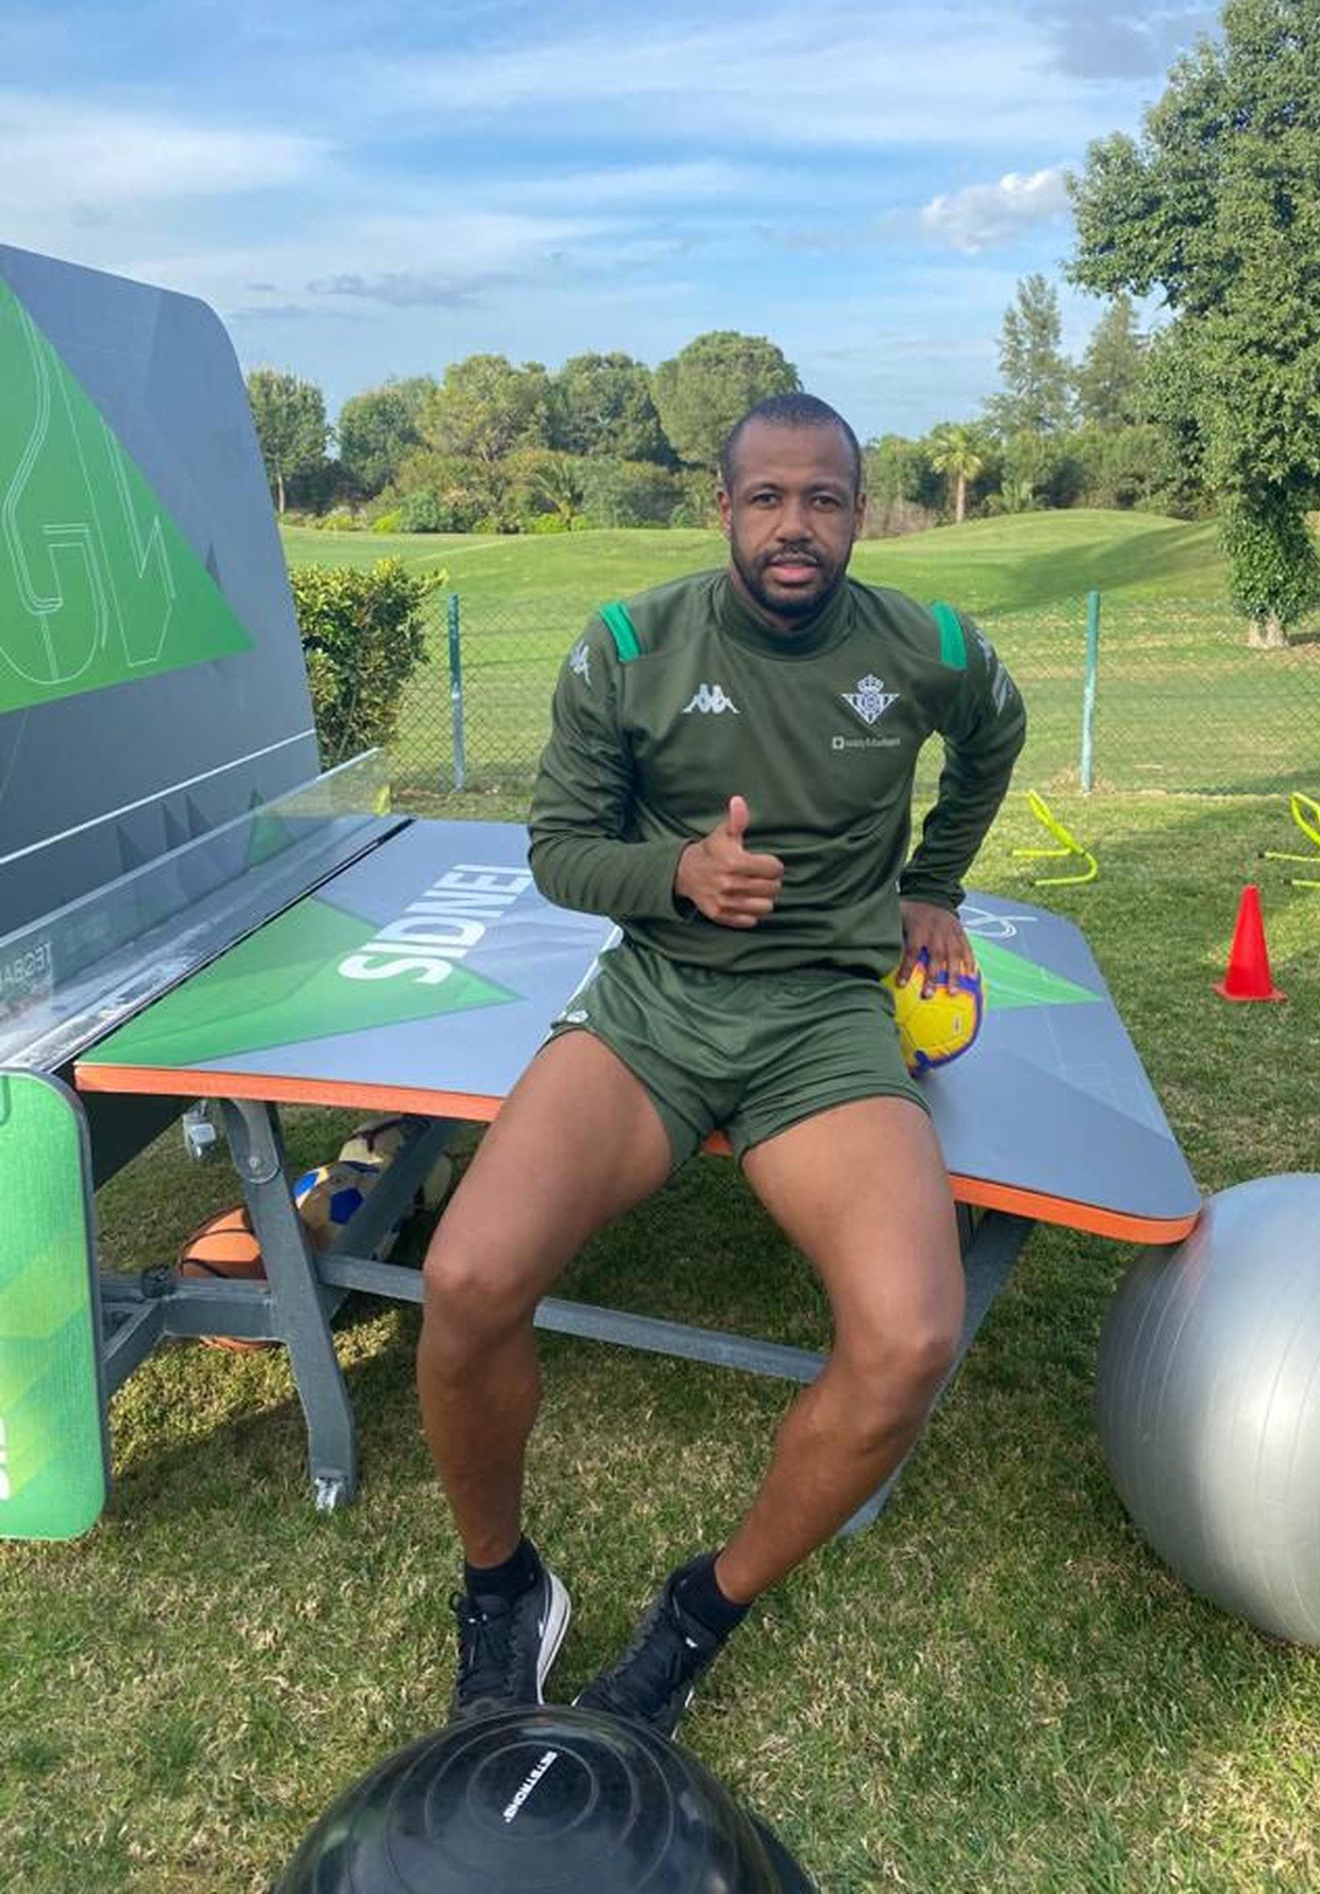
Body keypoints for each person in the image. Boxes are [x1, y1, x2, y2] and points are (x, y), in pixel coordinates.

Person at [418, 392, 1026, 1734]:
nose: (794, 525)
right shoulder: (629, 645)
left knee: (910, 1337)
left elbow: (996, 734)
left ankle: (703, 1609)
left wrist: (934, 883)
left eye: (824, 499)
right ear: (724, 508)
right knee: (464, 1280)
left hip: (826, 1021)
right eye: (767, 498)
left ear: (859, 512)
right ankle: (506, 1587)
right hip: (655, 1005)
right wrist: (677, 874)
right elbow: (558, 848)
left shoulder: (929, 645)